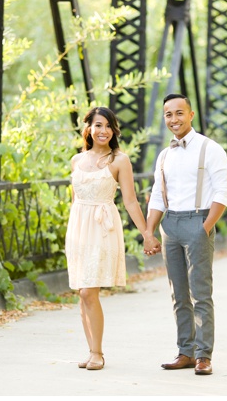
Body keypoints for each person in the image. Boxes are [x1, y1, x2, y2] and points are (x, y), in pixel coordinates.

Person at [65, 106, 160, 371]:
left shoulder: (120, 160)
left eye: (107, 126)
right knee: (82, 294)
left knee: (88, 290)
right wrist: (71, 231)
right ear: (88, 129)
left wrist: (147, 235)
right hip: (78, 228)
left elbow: (130, 201)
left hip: (102, 228)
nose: (102, 131)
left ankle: (98, 353)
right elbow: (75, 200)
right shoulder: (76, 160)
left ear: (113, 130)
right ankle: (90, 350)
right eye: (97, 125)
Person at [146, 93, 227, 376]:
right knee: (178, 294)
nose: (174, 119)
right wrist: (149, 231)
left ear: (191, 115)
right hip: (170, 225)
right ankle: (185, 350)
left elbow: (223, 191)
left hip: (198, 221)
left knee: (200, 293)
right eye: (168, 115)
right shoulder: (164, 155)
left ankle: (203, 355)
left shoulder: (210, 149)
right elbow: (158, 196)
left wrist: (205, 227)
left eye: (179, 113)